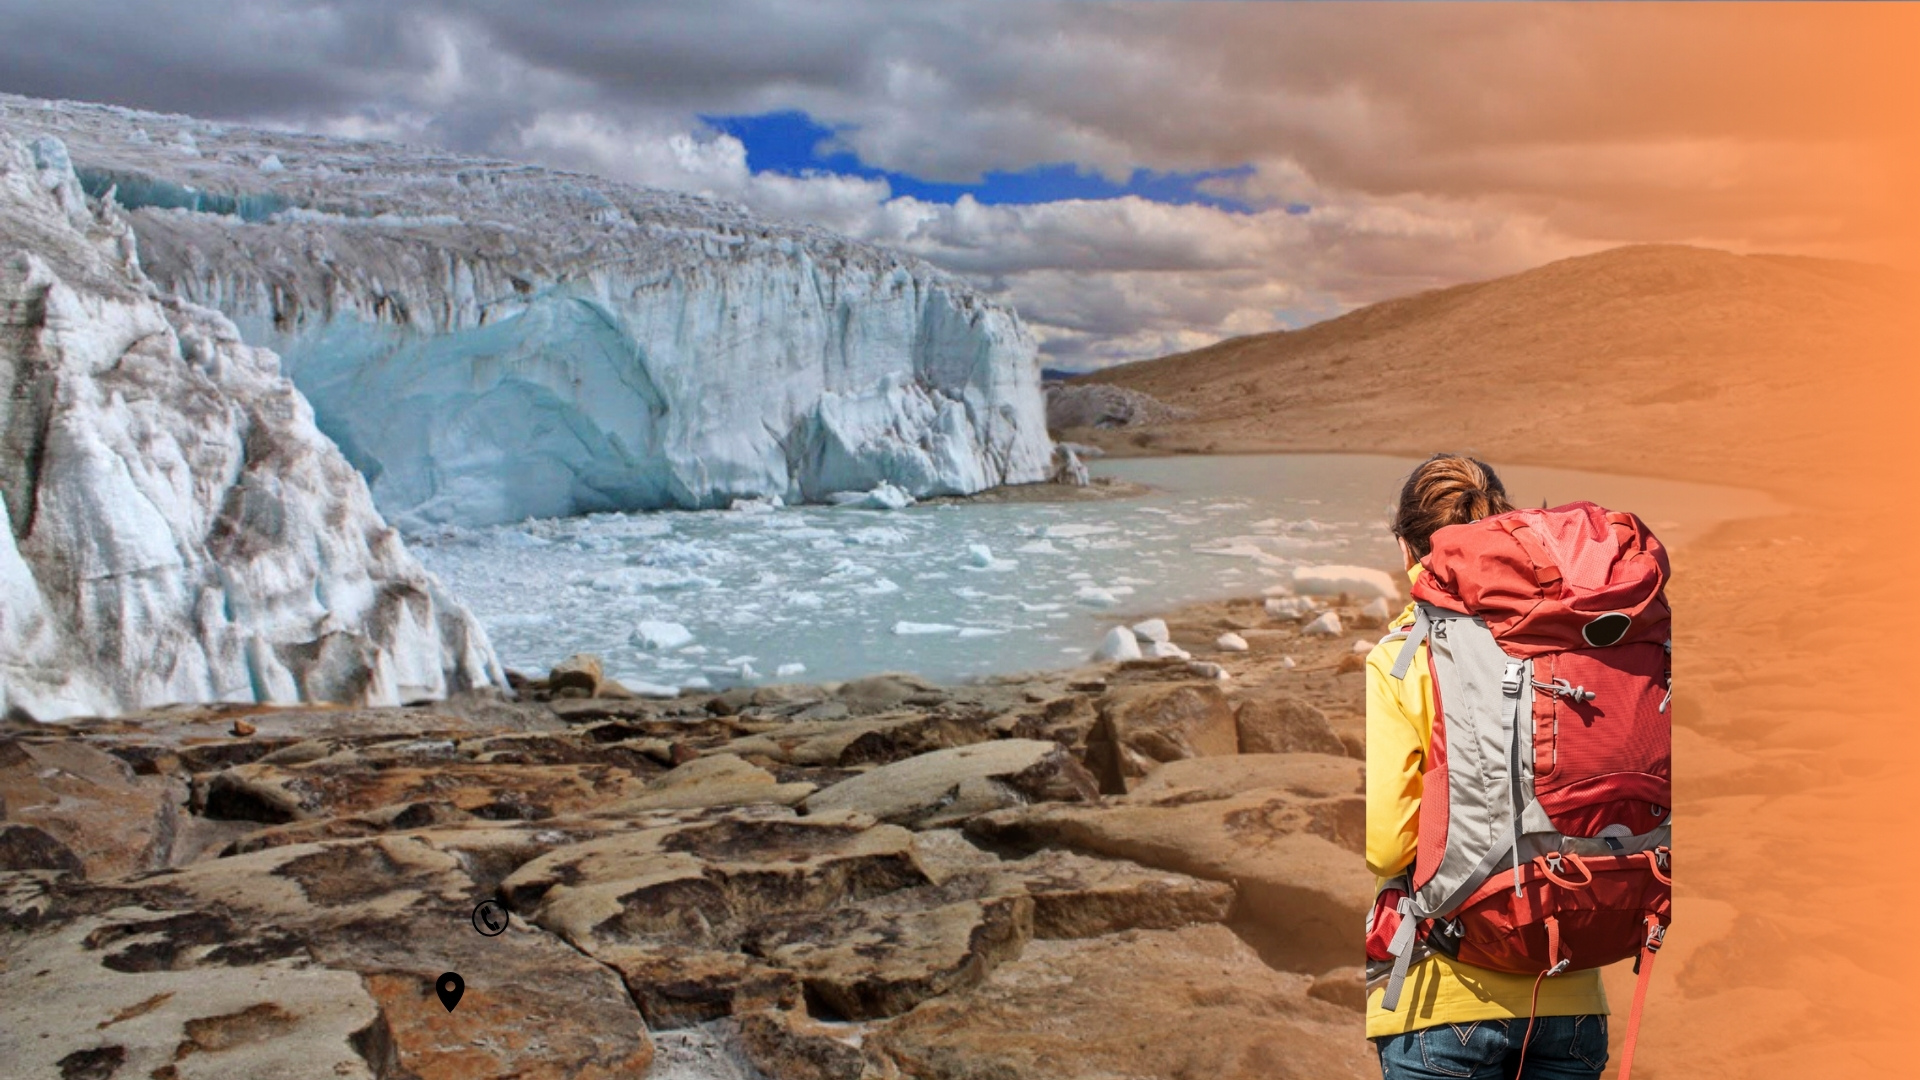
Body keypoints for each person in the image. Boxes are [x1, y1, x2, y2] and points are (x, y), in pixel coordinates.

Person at [1365, 454, 1610, 1079]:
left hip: (1444, 998)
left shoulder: (1402, 657)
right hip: (1572, 988)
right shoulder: (1568, 642)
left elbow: (1387, 845)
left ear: (1406, 548)